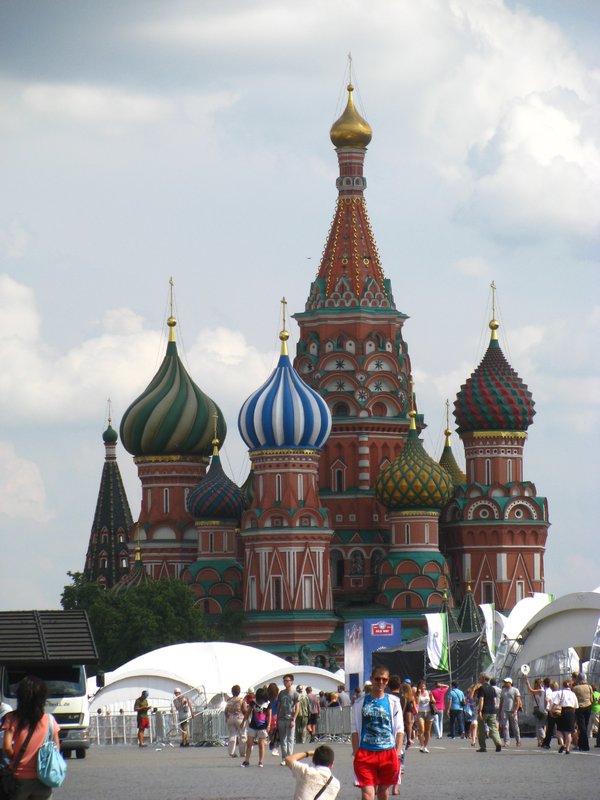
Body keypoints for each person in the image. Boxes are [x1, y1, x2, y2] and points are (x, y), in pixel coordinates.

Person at [1, 675, 61, 799]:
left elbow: (7, 747)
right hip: (43, 779)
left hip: (18, 778)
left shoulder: (11, 718)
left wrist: (16, 757)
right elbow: (56, 748)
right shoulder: (50, 720)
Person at [351, 666, 404, 800]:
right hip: (366, 752)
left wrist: (397, 753)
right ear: (371, 679)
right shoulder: (359, 703)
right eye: (377, 679)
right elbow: (354, 730)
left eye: (384, 680)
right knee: (367, 794)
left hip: (388, 752)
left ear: (387, 681)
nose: (381, 682)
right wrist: (356, 752)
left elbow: (399, 730)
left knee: (383, 792)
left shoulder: (394, 702)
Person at [242, 686, 271, 768]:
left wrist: (268, 725)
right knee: (249, 743)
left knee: (261, 745)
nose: (261, 701)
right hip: (253, 725)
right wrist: (243, 721)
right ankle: (246, 761)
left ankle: (261, 761)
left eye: (262, 699)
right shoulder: (253, 702)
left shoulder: (267, 704)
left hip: (263, 727)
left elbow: (269, 715)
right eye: (260, 699)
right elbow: (248, 712)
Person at [476, 673, 502, 752]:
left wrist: (480, 711)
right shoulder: (492, 688)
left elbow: (481, 700)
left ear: (483, 678)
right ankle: (498, 743)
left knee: (481, 728)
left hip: (484, 710)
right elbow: (494, 701)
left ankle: (483, 747)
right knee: (493, 728)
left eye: (480, 678)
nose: (479, 679)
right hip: (492, 710)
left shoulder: (482, 688)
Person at [551, 679, 579, 754]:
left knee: (559, 730)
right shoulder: (573, 694)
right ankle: (568, 748)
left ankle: (562, 743)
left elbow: (555, 703)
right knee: (568, 732)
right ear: (569, 685)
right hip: (571, 712)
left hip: (562, 711)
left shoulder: (560, 692)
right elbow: (576, 706)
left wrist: (552, 710)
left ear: (563, 685)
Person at [278, 674, 300, 766]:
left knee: (290, 739)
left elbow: (297, 707)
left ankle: (290, 758)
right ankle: (284, 758)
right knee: (283, 739)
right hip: (281, 718)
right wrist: (277, 718)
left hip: (290, 718)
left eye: (287, 680)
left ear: (291, 682)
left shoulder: (295, 693)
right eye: (284, 681)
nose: (285, 682)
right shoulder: (281, 693)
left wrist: (294, 719)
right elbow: (279, 705)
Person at [572, 674, 594, 751]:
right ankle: (581, 744)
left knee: (581, 726)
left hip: (579, 707)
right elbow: (591, 699)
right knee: (585, 725)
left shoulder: (575, 688)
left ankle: (584, 745)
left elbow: (573, 699)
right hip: (588, 706)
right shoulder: (589, 687)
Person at [498, 677, 521, 748]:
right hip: (504, 711)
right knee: (505, 727)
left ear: (510, 683)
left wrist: (516, 710)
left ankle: (518, 740)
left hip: (512, 711)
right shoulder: (503, 690)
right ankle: (506, 742)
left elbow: (518, 702)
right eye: (504, 682)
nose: (505, 683)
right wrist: (499, 711)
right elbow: (501, 701)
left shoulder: (515, 690)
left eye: (506, 682)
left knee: (515, 727)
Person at [224, 685, 246, 758]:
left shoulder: (229, 700)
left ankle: (232, 752)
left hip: (230, 718)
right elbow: (244, 710)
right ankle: (243, 752)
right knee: (242, 735)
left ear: (232, 692)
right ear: (239, 692)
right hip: (239, 718)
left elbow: (225, 710)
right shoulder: (241, 700)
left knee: (232, 735)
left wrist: (227, 717)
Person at [525, 676, 547, 746]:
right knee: (538, 725)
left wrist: (528, 683)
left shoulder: (542, 690)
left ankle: (543, 738)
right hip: (536, 708)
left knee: (539, 725)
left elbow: (531, 690)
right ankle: (539, 741)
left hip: (540, 708)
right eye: (538, 683)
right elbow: (531, 691)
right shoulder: (538, 690)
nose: (539, 685)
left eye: (540, 683)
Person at [415, 680, 434, 753]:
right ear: (419, 686)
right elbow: (417, 702)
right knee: (422, 730)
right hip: (420, 712)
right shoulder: (417, 693)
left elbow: (433, 701)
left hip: (429, 712)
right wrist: (419, 693)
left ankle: (425, 746)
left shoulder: (429, 692)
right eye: (421, 685)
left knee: (427, 731)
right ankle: (422, 745)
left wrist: (432, 697)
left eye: (424, 685)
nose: (423, 687)